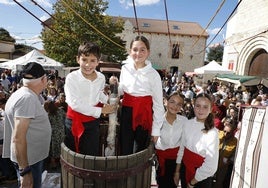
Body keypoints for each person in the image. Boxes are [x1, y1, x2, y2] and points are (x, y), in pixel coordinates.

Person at [2, 62, 52, 188]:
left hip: (30, 159)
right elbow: (18, 138)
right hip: (29, 162)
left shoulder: (23, 94)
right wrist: (25, 171)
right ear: (43, 79)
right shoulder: (26, 98)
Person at [64, 41, 116, 155]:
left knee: (91, 154)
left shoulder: (101, 78)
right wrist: (101, 110)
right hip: (74, 122)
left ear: (98, 61)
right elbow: (74, 104)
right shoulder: (71, 78)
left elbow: (98, 94)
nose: (88, 65)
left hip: (92, 122)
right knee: (74, 156)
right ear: (78, 59)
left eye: (92, 60)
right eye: (84, 60)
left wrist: (107, 100)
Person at [118, 35, 165, 155]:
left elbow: (159, 104)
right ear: (130, 51)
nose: (138, 53)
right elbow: (121, 90)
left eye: (142, 49)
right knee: (125, 149)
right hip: (126, 113)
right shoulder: (125, 69)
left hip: (144, 114)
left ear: (148, 52)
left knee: (140, 151)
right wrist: (114, 86)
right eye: (135, 49)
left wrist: (156, 131)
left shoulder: (154, 75)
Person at [174, 93, 219, 188]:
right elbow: (182, 148)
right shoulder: (188, 124)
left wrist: (192, 182)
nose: (201, 110)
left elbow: (211, 166)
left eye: (205, 107)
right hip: (185, 170)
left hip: (201, 178)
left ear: (211, 109)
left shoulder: (213, 133)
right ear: (193, 106)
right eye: (198, 106)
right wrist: (177, 171)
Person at [155, 92, 187, 188]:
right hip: (161, 161)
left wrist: (177, 171)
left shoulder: (184, 121)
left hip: (177, 161)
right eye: (172, 102)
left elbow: (183, 146)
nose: (175, 106)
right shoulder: (158, 120)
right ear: (166, 102)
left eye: (179, 104)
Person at [213, 118, 237, 188]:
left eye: (228, 132)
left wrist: (229, 161)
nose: (226, 134)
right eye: (224, 131)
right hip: (212, 163)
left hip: (223, 167)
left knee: (218, 183)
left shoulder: (235, 141)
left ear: (233, 132)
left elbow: (235, 155)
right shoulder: (218, 134)